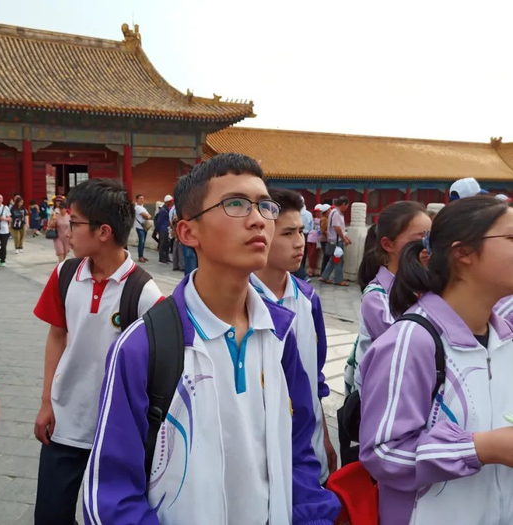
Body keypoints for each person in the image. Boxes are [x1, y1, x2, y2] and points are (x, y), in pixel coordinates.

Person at [83, 153, 340, 524]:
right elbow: (111, 495)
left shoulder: (280, 335)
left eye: (264, 206)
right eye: (235, 204)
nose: (258, 219)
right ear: (189, 233)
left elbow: (300, 453)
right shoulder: (144, 347)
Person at [359, 195, 513, 525]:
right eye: (512, 237)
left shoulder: (505, 339)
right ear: (463, 253)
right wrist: (480, 448)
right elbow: (382, 452)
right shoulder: (412, 341)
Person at [32, 178, 163, 525]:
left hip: (116, 431)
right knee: (50, 517)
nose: (67, 231)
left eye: (74, 223)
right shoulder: (65, 274)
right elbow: (57, 336)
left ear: (103, 231)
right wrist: (47, 402)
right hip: (64, 421)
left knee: (109, 517)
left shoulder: (145, 293)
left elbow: (155, 369)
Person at [251, 188, 337, 486]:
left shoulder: (308, 299)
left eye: (301, 231)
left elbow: (315, 377)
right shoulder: (241, 303)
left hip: (308, 455)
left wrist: (324, 437)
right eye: (287, 233)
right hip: (259, 461)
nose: (299, 242)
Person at [343, 201, 431, 395]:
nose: (427, 245)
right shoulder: (377, 297)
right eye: (420, 237)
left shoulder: (426, 287)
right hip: (384, 392)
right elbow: (407, 349)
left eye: (430, 236)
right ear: (388, 244)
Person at [319, 196, 352, 286]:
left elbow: (340, 228)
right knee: (339, 260)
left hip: (334, 239)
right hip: (336, 241)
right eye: (347, 206)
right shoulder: (336, 213)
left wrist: (346, 238)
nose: (346, 208)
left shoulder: (334, 212)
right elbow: (337, 228)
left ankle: (324, 276)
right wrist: (344, 239)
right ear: (344, 204)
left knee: (333, 259)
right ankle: (339, 280)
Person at [155, 195, 174, 264]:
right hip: (163, 229)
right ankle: (162, 259)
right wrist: (158, 230)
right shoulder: (163, 210)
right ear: (167, 202)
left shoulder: (167, 209)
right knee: (162, 244)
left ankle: (166, 258)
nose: (172, 203)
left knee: (167, 244)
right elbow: (159, 221)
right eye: (170, 201)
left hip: (167, 229)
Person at [134, 193, 151, 263]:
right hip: (139, 227)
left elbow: (149, 215)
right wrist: (147, 216)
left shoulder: (143, 207)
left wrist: (147, 216)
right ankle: (140, 257)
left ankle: (142, 255)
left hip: (144, 227)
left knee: (143, 242)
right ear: (137, 200)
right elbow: (146, 216)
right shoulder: (137, 207)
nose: (142, 200)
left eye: (143, 198)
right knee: (141, 242)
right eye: (140, 198)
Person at [319, 204, 330, 273]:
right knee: (326, 257)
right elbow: (323, 230)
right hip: (325, 240)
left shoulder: (325, 218)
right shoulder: (324, 219)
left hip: (325, 239)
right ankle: (323, 273)